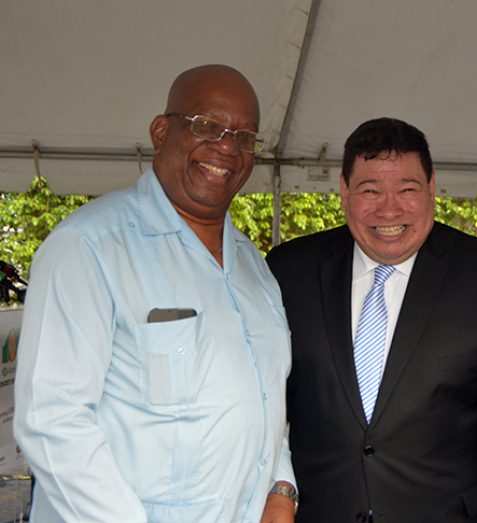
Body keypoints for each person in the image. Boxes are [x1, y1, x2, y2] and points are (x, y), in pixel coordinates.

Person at [14, 65, 297, 523]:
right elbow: (52, 423)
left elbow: (267, 404)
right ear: (161, 131)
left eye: (245, 137)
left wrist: (282, 491)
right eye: (208, 126)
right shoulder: (89, 247)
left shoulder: (254, 267)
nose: (227, 147)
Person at [266, 117, 477, 523]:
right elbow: (264, 407)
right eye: (370, 190)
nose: (389, 209)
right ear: (343, 191)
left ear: (432, 188)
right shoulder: (289, 271)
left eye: (407, 189)